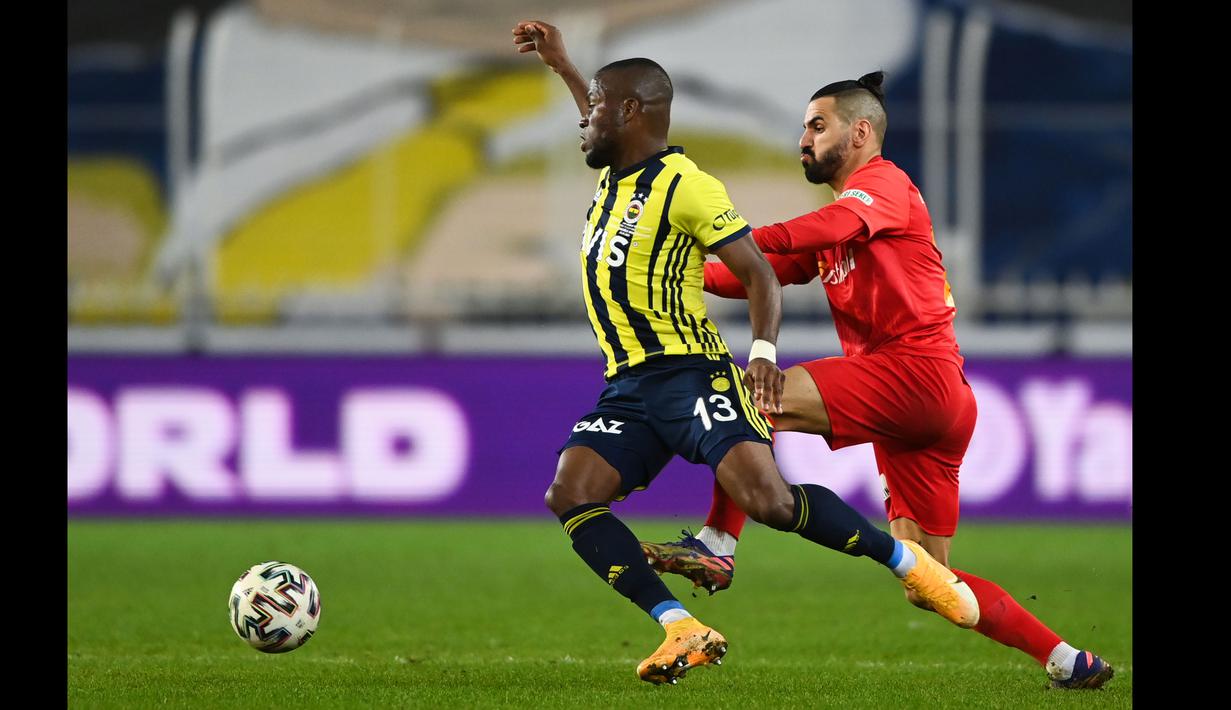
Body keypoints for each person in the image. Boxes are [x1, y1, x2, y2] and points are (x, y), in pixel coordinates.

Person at [512, 20, 980, 686]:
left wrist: (758, 336)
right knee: (571, 493)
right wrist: (561, 64)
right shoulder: (615, 182)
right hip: (628, 385)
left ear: (630, 114)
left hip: (690, 372)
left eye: (594, 113)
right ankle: (681, 625)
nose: (582, 125)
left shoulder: (686, 187)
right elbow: (603, 122)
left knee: (772, 503)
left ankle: (896, 562)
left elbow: (758, 271)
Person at [640, 71, 1114, 690]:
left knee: (752, 397)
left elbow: (796, 239)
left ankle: (718, 545)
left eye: (817, 125)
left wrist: (731, 238)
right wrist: (673, 266)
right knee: (929, 581)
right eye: (804, 127)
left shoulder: (883, 185)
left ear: (861, 132)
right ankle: (1066, 658)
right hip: (934, 401)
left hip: (913, 373)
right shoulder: (840, 219)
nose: (804, 140)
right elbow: (752, 273)